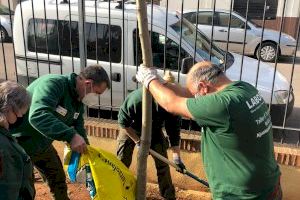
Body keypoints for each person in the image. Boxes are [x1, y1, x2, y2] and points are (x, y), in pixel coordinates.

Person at [136, 61, 282, 200]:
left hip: (241, 195)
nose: (196, 98)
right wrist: (161, 82)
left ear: (203, 87)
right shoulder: (245, 89)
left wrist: (149, 80)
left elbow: (171, 103)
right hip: (268, 185)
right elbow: (187, 93)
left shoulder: (222, 105)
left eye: (197, 94)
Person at [11, 64, 110, 200]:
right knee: (22, 190)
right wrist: (71, 136)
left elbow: (78, 125)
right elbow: (38, 115)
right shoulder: (54, 84)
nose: (96, 98)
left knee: (57, 180)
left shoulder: (78, 100)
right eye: (97, 93)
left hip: (42, 145)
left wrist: (87, 151)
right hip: (18, 145)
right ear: (88, 83)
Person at [117, 71, 185, 200]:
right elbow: (122, 122)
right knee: (122, 162)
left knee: (163, 165)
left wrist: (177, 158)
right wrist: (138, 141)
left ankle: (169, 196)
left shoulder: (173, 105)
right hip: (131, 129)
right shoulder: (138, 99)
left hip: (154, 131)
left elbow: (174, 132)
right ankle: (118, 192)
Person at [0, 80, 35, 200]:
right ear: (10, 107)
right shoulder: (4, 146)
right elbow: (7, 189)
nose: (21, 117)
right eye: (20, 112)